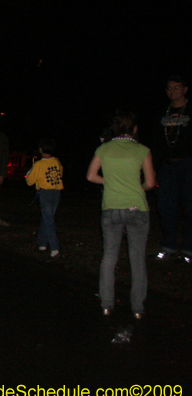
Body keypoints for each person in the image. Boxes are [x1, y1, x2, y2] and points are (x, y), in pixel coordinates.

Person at [86, 110, 155, 319]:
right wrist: (136, 187)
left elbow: (91, 176)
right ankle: (137, 309)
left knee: (109, 256)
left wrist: (111, 182)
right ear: (134, 129)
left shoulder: (103, 149)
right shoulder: (142, 150)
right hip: (136, 209)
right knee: (137, 258)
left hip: (111, 209)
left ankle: (106, 304)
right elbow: (150, 183)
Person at [152, 75, 192, 262]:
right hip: (168, 166)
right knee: (166, 206)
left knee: (190, 206)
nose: (172, 91)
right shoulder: (162, 113)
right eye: (169, 88)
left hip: (188, 164)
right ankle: (168, 246)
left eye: (176, 87)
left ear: (184, 89)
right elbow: (156, 143)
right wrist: (154, 167)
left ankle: (188, 249)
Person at [25, 139, 64, 260]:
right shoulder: (56, 161)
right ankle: (42, 243)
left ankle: (54, 249)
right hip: (57, 193)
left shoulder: (39, 164)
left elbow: (30, 181)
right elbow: (60, 173)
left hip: (46, 194)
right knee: (47, 218)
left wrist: (29, 174)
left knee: (49, 220)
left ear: (41, 150)